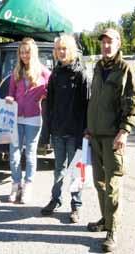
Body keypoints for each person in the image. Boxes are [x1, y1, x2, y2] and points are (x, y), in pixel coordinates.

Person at [86, 28, 135, 252]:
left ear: (119, 43)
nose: (106, 46)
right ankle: (105, 220)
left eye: (110, 42)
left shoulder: (125, 68)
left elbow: (132, 103)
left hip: (113, 137)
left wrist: (124, 132)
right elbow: (94, 100)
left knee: (112, 185)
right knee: (99, 184)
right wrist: (89, 128)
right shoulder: (98, 67)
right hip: (95, 135)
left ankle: (113, 230)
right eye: (103, 42)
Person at [40, 34, 88, 223]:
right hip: (59, 131)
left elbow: (87, 104)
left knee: (76, 170)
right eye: (58, 49)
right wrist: (49, 130)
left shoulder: (81, 74)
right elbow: (50, 104)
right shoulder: (55, 75)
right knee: (58, 169)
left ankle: (76, 206)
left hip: (76, 132)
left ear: (72, 50)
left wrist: (86, 129)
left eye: (64, 48)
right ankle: (55, 199)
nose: (61, 52)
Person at [5, 37, 51, 204]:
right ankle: (16, 184)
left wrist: (45, 95)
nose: (24, 55)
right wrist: (9, 98)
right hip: (16, 118)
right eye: (22, 52)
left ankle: (28, 186)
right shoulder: (16, 71)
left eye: (27, 52)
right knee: (14, 153)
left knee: (30, 154)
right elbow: (10, 92)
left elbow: (51, 90)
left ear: (33, 53)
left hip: (33, 118)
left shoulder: (44, 72)